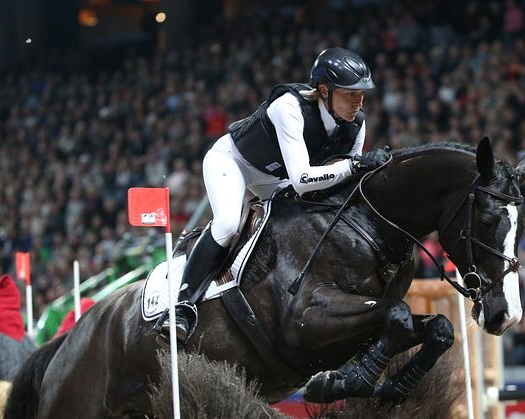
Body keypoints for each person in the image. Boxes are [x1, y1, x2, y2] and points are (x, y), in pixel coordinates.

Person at [158, 47, 391, 345]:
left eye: (362, 94)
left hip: (276, 180)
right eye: (350, 94)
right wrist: (354, 165)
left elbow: (341, 184)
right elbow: (304, 179)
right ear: (324, 91)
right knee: (229, 223)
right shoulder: (289, 106)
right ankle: (183, 305)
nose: (358, 102)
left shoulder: (356, 124)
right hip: (235, 161)